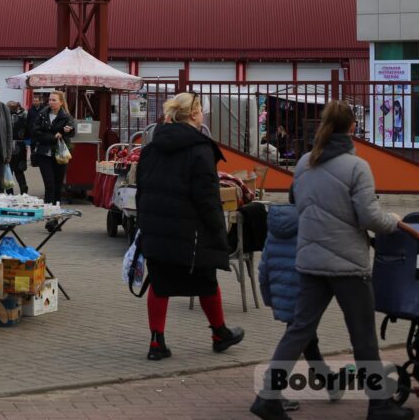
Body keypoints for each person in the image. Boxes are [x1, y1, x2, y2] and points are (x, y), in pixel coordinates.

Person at [251, 101, 407, 420]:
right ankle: (378, 405)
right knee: (362, 335)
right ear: (352, 128)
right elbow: (368, 216)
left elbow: (297, 202)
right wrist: (392, 220)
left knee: (298, 330)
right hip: (348, 264)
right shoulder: (356, 166)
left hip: (310, 260)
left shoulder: (306, 162)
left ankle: (268, 395)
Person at [136, 92, 244, 362]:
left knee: (159, 283)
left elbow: (141, 187)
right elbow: (206, 197)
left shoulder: (151, 146)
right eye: (201, 111)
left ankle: (156, 341)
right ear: (195, 114)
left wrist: (144, 222)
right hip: (191, 232)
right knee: (206, 280)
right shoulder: (200, 149)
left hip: (158, 228)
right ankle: (219, 333)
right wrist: (218, 230)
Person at [257, 203, 339, 411]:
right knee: (297, 337)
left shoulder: (275, 224)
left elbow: (264, 264)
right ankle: (272, 390)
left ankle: (330, 381)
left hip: (282, 291)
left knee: (306, 338)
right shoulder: (310, 223)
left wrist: (268, 297)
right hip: (305, 291)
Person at [30, 90, 75, 206]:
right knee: (49, 185)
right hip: (44, 154)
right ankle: (48, 211)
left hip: (60, 155)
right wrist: (53, 137)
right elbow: (35, 132)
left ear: (61, 102)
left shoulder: (66, 117)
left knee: (58, 186)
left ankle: (55, 214)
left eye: (54, 100)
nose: (51, 102)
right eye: (49, 100)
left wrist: (68, 130)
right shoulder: (42, 114)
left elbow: (72, 132)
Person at [7, 100, 29, 194]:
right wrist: (28, 146)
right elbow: (28, 134)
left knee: (8, 171)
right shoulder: (23, 119)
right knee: (19, 171)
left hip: (7, 147)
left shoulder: (4, 120)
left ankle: (9, 193)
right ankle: (23, 190)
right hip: (20, 147)